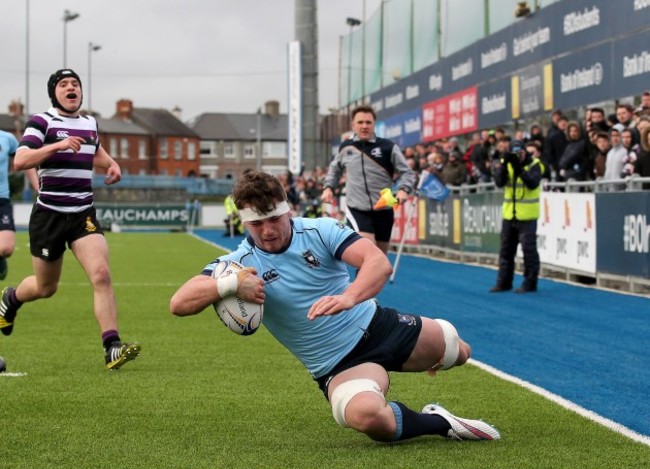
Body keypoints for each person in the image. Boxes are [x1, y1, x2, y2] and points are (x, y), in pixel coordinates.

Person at [170, 170, 500, 443]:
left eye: (273, 218)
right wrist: (230, 285)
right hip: (338, 365)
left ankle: (440, 352)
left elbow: (377, 262)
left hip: (381, 326)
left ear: (288, 210)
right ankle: (439, 423)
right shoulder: (239, 262)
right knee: (367, 417)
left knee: (460, 351)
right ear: (244, 222)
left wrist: (349, 297)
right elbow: (179, 303)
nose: (268, 230)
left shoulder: (320, 230)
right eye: (257, 224)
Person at [0, 68, 141, 370]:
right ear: (54, 93)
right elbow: (21, 159)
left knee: (101, 274)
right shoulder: (42, 122)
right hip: (49, 215)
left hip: (82, 214)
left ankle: (111, 347)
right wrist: (57, 145)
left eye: (75, 83)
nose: (70, 88)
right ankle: (11, 299)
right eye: (63, 84)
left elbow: (96, 151)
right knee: (45, 287)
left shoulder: (90, 123)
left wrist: (112, 164)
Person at [320, 105, 416, 255]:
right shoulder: (346, 148)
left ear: (374, 124)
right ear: (353, 125)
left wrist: (404, 190)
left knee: (379, 260)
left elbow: (408, 173)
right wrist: (328, 187)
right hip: (357, 209)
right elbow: (334, 169)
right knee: (368, 253)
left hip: (384, 208)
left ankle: (368, 278)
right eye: (360, 122)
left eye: (368, 122)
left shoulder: (387, 147)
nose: (364, 126)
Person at [490, 140, 545, 293]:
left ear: (525, 151)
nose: (517, 156)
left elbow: (533, 183)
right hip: (509, 215)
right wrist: (503, 164)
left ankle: (530, 283)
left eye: (520, 153)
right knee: (506, 251)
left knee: (529, 251)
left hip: (527, 216)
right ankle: (504, 282)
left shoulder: (535, 164)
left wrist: (519, 169)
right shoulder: (507, 164)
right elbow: (499, 183)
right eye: (514, 154)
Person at [0, 130, 38, 281]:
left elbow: (25, 161)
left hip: (1, 199)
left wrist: (37, 186)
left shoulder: (7, 138)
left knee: (6, 248)